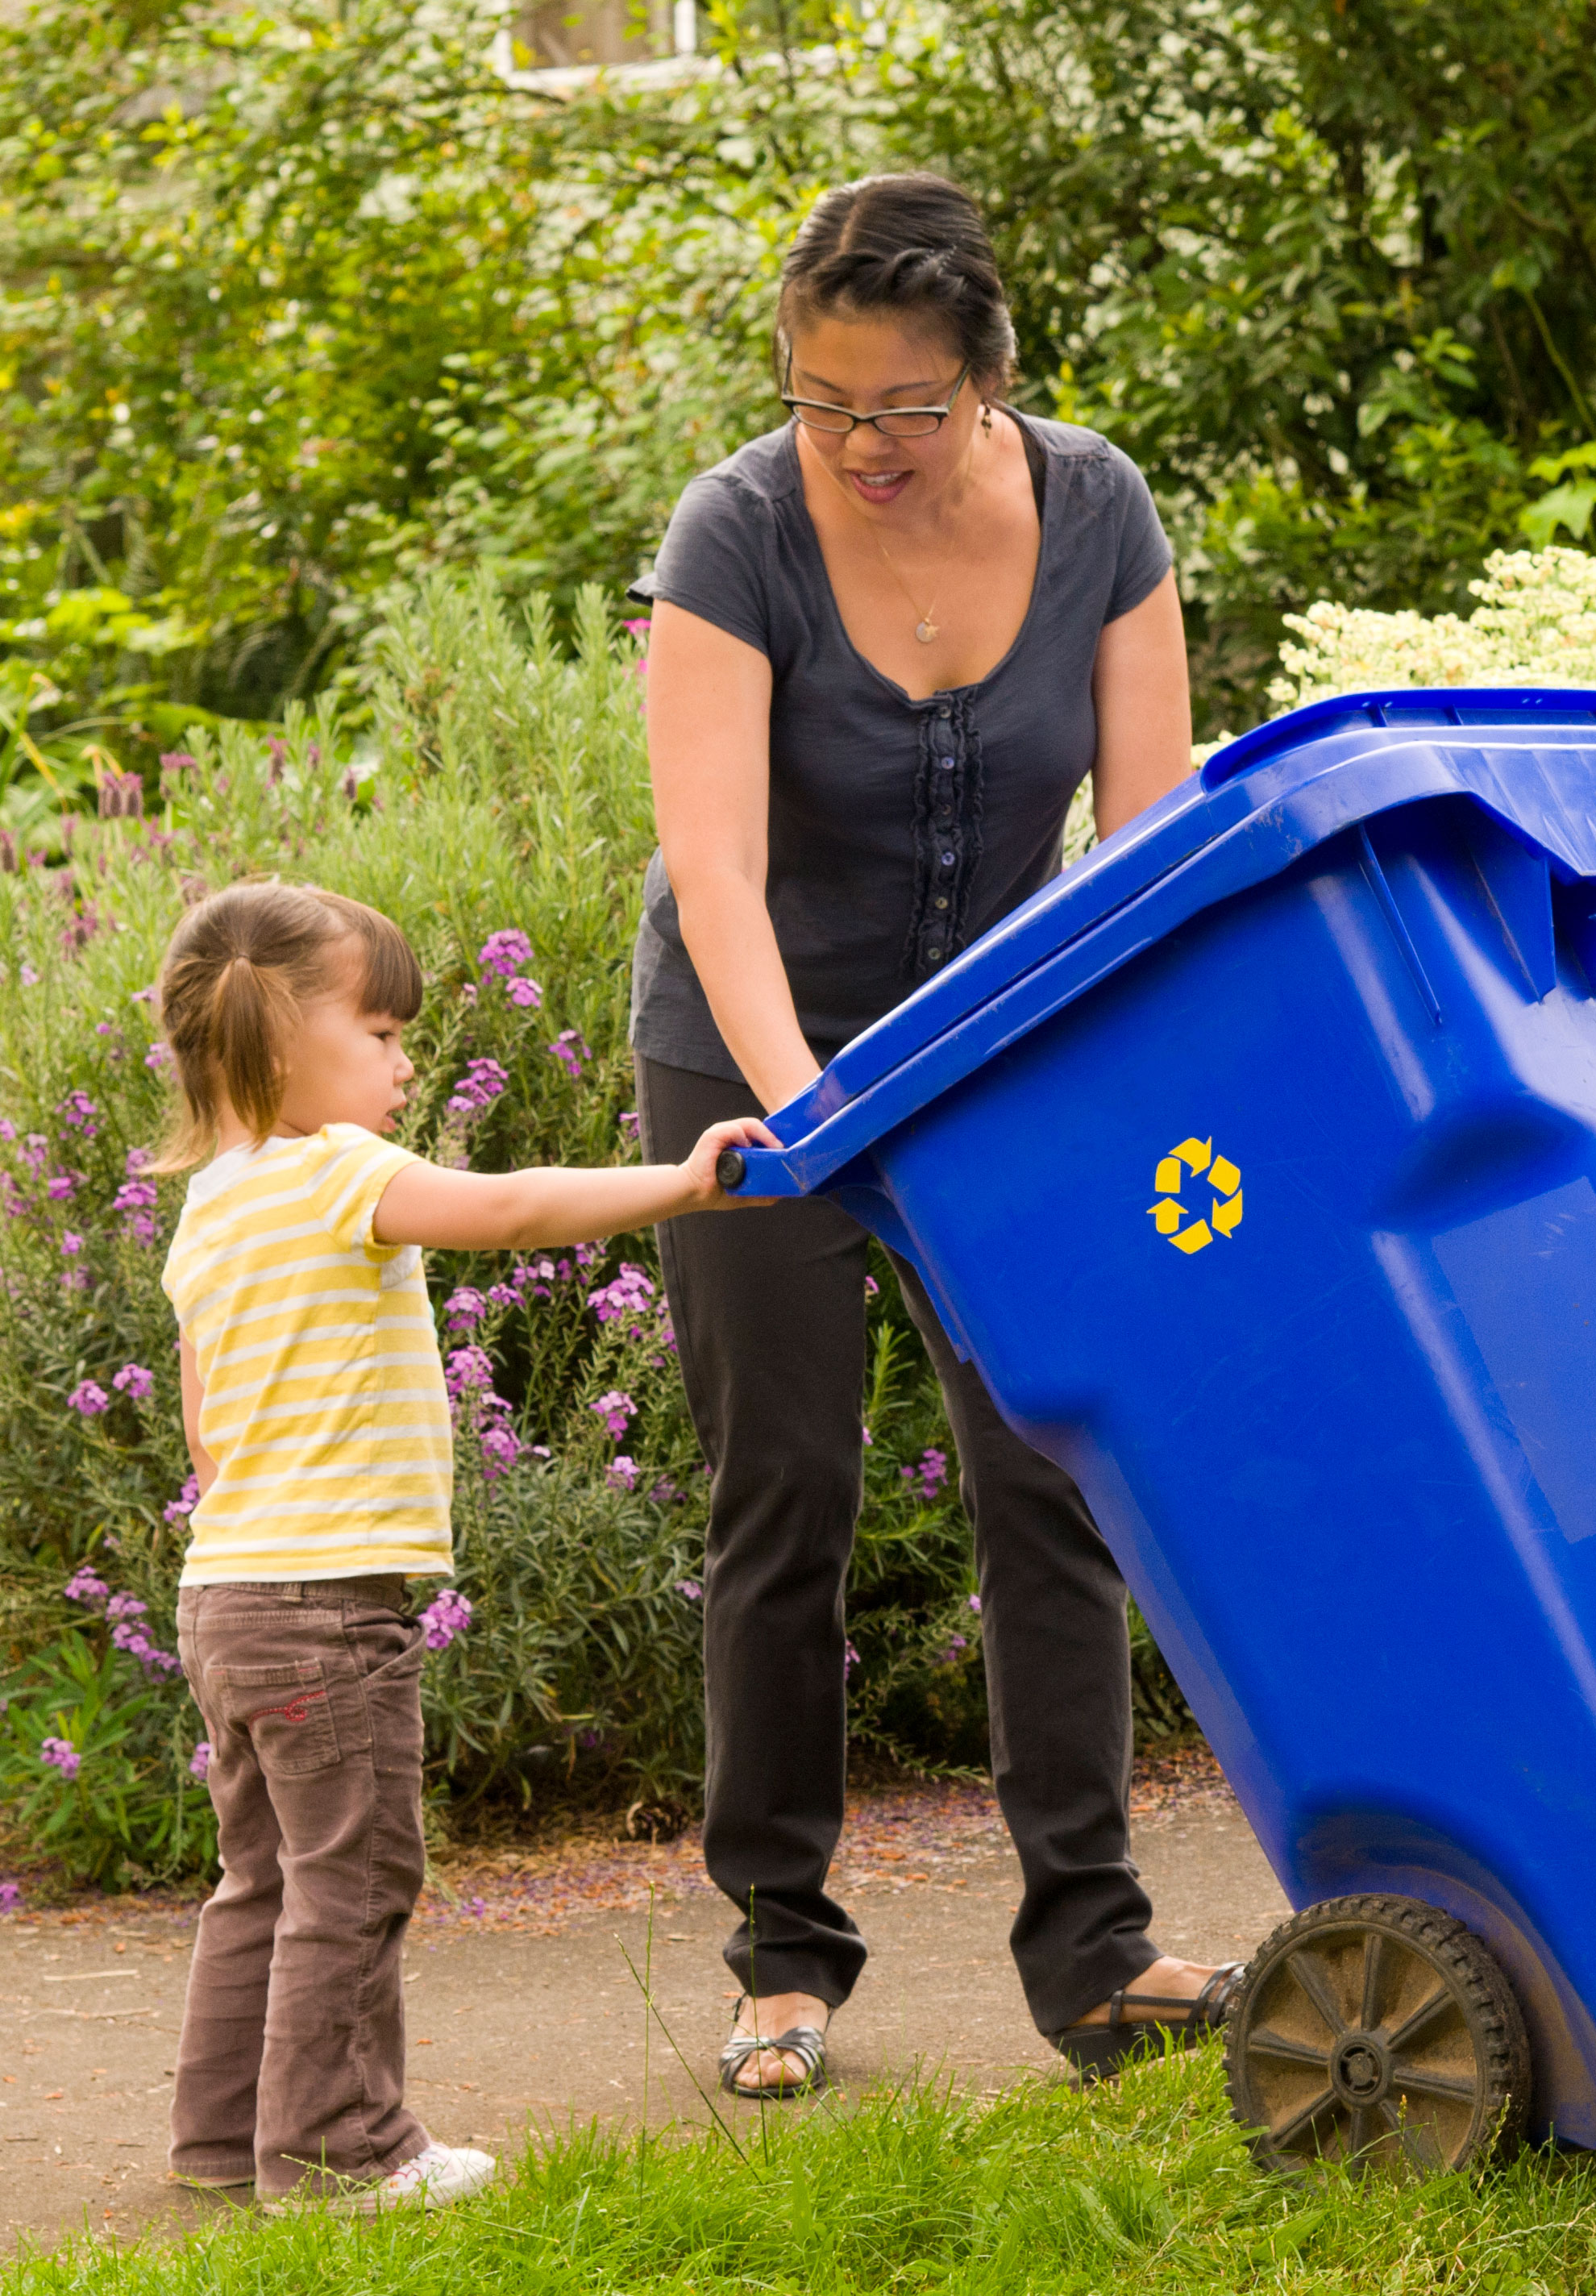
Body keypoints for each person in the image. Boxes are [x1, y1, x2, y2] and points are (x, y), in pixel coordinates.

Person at [631, 170, 1236, 2096]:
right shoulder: (733, 533)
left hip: (1001, 1057)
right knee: (782, 1495)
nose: (860, 445)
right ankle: (783, 1953)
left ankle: (1094, 1949)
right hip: (752, 1063)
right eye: (823, 403)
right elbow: (716, 873)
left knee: (1049, 1473)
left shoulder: (1097, 507)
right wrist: (804, 1103)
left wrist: (1116, 1087)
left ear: (988, 375)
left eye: (901, 405)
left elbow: (1143, 841)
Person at [156, 880, 771, 2209]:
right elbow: (506, 1207)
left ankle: (222, 2143)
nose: (405, 1061)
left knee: (259, 1879)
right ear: (278, 1046)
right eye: (379, 1034)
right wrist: (682, 1186)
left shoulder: (208, 1207)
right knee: (354, 1877)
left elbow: (206, 1433)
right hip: (329, 1606)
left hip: (229, 1598)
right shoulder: (338, 1173)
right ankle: (339, 2149)